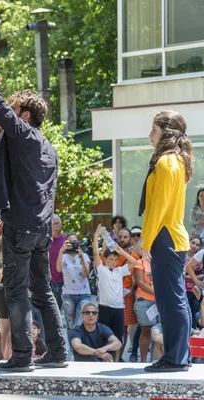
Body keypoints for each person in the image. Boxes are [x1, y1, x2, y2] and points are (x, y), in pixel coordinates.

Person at [0, 75, 66, 372]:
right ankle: (57, 352)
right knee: (42, 291)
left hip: (22, 228)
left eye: (15, 109)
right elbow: (36, 190)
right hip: (40, 229)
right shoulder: (46, 147)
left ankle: (23, 355)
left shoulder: (24, 134)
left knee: (15, 292)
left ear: (25, 116)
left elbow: (2, 115)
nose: (10, 114)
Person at [138, 110, 193, 372]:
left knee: (171, 299)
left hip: (165, 237)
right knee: (173, 298)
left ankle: (176, 357)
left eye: (154, 130)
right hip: (170, 236)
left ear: (166, 133)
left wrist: (146, 241)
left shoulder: (166, 162)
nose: (150, 134)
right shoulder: (174, 160)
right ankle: (179, 355)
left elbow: (157, 208)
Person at [92, 226, 137, 361]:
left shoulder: (120, 271)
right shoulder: (101, 269)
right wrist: (96, 236)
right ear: (105, 260)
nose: (113, 262)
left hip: (118, 307)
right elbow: (95, 254)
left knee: (118, 335)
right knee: (104, 334)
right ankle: (103, 358)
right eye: (110, 259)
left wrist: (120, 251)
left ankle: (116, 360)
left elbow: (134, 261)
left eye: (115, 260)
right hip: (105, 306)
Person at [57, 233, 91, 333]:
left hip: (84, 294)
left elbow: (86, 273)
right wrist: (61, 251)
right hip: (68, 295)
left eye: (75, 242)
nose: (72, 244)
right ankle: (72, 348)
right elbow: (58, 269)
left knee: (79, 323)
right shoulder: (63, 257)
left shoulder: (84, 256)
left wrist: (81, 258)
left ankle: (79, 347)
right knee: (71, 325)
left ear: (79, 243)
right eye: (70, 242)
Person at [133, 257, 157, 362]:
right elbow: (140, 283)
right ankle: (142, 361)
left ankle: (155, 360)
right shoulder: (141, 262)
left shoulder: (163, 260)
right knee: (146, 330)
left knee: (158, 332)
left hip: (160, 303)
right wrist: (157, 293)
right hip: (144, 301)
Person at [184, 239, 204, 329]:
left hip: (195, 291)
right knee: (187, 314)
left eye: (197, 244)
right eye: (193, 243)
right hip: (187, 290)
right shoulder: (202, 253)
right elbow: (188, 267)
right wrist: (197, 281)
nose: (194, 246)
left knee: (195, 314)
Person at [49, 214, 66, 310]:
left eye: (57, 223)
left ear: (61, 224)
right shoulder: (47, 241)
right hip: (52, 281)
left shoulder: (67, 239)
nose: (55, 226)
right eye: (52, 224)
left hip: (67, 281)